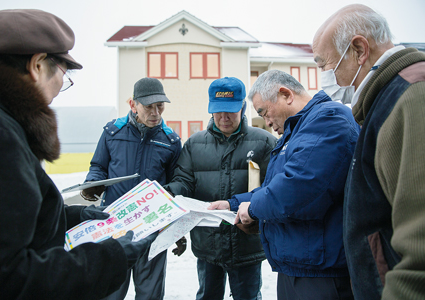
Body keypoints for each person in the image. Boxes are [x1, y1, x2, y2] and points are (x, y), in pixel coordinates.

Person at [0, 9, 157, 300]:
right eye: (63, 75)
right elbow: (0, 277)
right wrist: (107, 259)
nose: (62, 87)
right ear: (36, 64)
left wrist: (73, 216)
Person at [209, 70, 360, 299]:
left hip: (321, 273)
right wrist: (232, 204)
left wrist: (251, 208)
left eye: (264, 112)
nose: (267, 122)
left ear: (285, 94)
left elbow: (298, 188)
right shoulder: (298, 130)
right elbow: (275, 186)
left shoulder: (328, 120)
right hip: (299, 265)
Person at [312, 4, 425, 299]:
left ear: (359, 50)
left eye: (324, 65)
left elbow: (419, 249)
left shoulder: (411, 98)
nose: (325, 78)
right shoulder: (383, 101)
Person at [165, 77, 277, 300]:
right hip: (208, 242)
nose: (224, 118)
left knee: (248, 296)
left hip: (247, 243)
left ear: (242, 107)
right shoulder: (195, 144)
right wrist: (169, 192)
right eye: (218, 112)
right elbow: (184, 181)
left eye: (231, 112)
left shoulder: (264, 142)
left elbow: (272, 187)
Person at [81, 77, 182, 300]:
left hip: (152, 229)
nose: (156, 112)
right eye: (149, 106)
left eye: (160, 106)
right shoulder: (112, 132)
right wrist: (92, 184)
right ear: (133, 105)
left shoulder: (172, 141)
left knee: (150, 295)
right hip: (114, 227)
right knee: (111, 293)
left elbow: (178, 183)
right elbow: (98, 166)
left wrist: (176, 226)